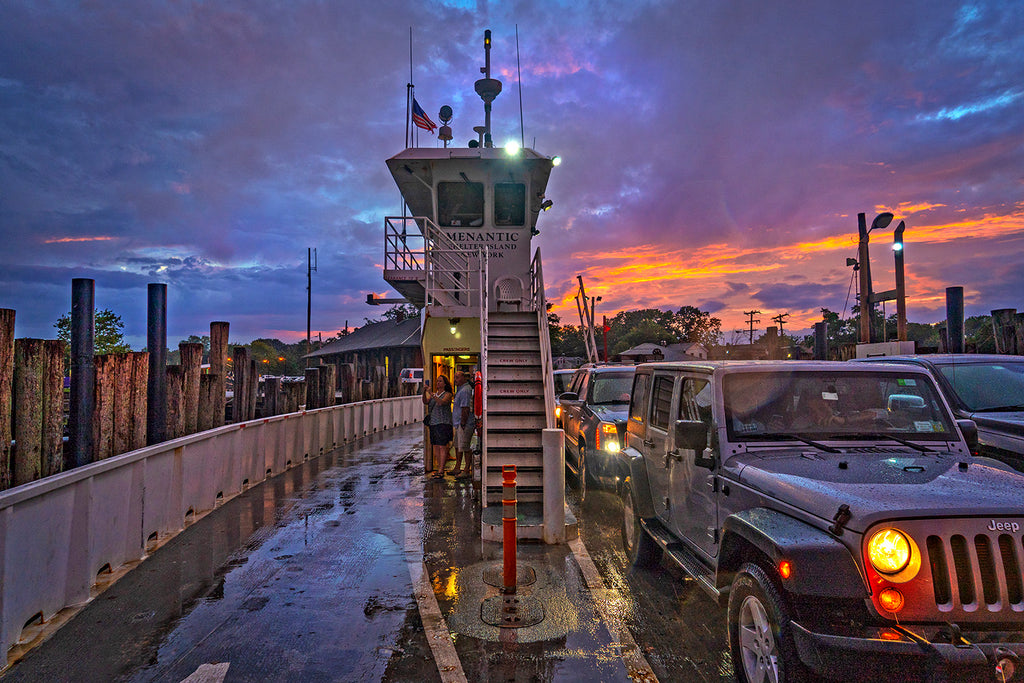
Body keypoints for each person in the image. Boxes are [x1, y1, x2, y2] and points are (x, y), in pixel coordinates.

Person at [423, 374, 454, 478]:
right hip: (434, 423)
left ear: (445, 383)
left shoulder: (448, 394)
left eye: (440, 381)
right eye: (437, 381)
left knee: (442, 446)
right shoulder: (435, 394)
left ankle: (441, 469)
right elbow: (426, 402)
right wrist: (424, 392)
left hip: (443, 422)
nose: (438, 383)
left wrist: (431, 393)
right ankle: (438, 468)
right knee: (435, 446)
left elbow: (441, 403)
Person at [451, 371, 474, 479]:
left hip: (464, 424)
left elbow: (465, 408)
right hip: (459, 424)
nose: (455, 379)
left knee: (464, 446)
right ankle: (458, 466)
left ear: (464, 378)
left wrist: (463, 423)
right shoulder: (461, 390)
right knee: (458, 445)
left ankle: (466, 469)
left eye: (457, 377)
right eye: (455, 377)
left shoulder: (465, 390)